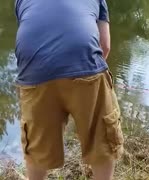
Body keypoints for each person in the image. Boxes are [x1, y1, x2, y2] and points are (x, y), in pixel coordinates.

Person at [15, 0, 123, 179]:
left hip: (34, 72)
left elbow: (31, 31)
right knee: (102, 146)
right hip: (85, 66)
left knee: (37, 152)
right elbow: (105, 46)